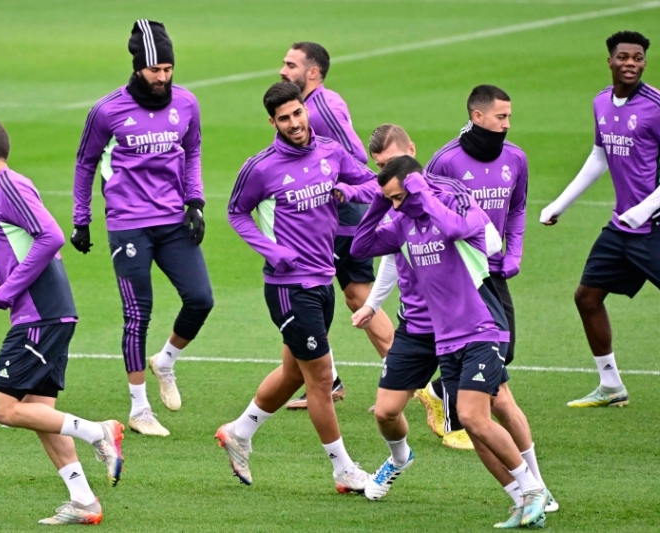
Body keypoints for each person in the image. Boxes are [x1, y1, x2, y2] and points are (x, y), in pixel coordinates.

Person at [354, 128, 557, 520]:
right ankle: (522, 498)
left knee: (480, 416)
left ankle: (534, 490)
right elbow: (361, 247)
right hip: (445, 337)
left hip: (481, 326)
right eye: (391, 200)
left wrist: (422, 192)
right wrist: (381, 205)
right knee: (468, 420)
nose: (397, 207)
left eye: (400, 197)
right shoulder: (400, 224)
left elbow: (454, 229)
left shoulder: (458, 208)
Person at [0, 120, 124, 525]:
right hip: (49, 313)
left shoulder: (8, 187)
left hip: (40, 317)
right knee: (38, 413)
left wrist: (8, 293)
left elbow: (51, 237)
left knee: (2, 406)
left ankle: (98, 431)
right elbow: (20, 262)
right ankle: (85, 501)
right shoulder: (2, 193)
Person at [214, 82, 378, 492]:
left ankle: (239, 432)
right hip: (289, 287)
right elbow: (237, 213)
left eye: (297, 114)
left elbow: (375, 184)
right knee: (321, 380)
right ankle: (343, 469)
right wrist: (270, 250)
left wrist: (350, 190)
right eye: (283, 118)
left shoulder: (330, 151)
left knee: (293, 374)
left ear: (306, 112)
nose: (294, 123)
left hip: (323, 279)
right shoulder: (261, 167)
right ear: (273, 122)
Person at [540, 31, 660, 407]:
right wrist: (560, 203)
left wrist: (645, 208)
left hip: (658, 223)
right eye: (623, 57)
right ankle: (611, 385)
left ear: (644, 63)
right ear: (610, 61)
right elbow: (599, 156)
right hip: (623, 225)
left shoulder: (657, 105)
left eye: (638, 58)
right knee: (587, 296)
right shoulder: (601, 102)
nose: (630, 63)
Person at [71, 20, 214, 435]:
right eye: (155, 70)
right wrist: (82, 220)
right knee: (137, 314)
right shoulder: (107, 111)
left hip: (173, 221)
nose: (163, 78)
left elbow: (194, 149)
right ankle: (139, 410)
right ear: (138, 68)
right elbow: (85, 165)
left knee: (201, 299)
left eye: (168, 69)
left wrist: (196, 201)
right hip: (128, 225)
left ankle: (165, 360)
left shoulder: (186, 103)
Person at [279, 42, 394, 410]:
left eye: (290, 64)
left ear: (312, 73)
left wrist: (338, 186)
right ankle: (328, 377)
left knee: (357, 296)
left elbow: (356, 158)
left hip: (340, 223)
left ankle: (411, 379)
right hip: (321, 222)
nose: (283, 70)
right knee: (317, 296)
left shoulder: (321, 108)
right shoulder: (308, 106)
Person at [418, 85, 528, 450]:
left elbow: (517, 208)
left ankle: (436, 391)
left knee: (504, 347)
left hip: (493, 270)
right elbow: (425, 212)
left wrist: (514, 253)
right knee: (468, 346)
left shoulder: (516, 159)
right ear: (477, 117)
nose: (507, 124)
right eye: (501, 117)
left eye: (509, 116)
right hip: (458, 271)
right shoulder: (445, 161)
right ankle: (462, 418)